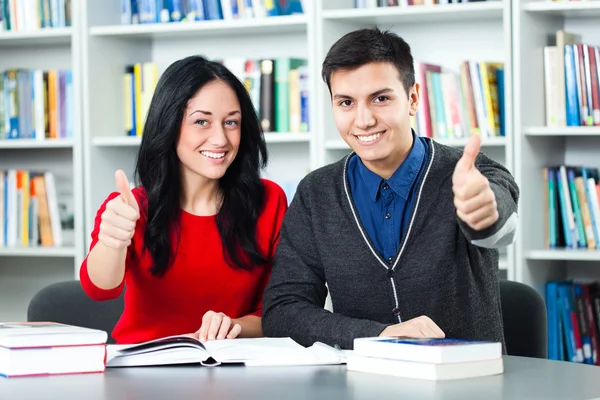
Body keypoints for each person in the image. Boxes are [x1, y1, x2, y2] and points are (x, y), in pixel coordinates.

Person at [262, 28, 519, 350]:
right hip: (364, 384)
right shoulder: (317, 193)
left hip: (467, 385)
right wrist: (379, 335)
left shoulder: (474, 173)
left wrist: (485, 211)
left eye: (380, 98)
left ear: (412, 98)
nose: (364, 120)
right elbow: (283, 312)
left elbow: (501, 230)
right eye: (346, 103)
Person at [80, 55, 288, 345]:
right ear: (169, 125)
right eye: (201, 121)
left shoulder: (269, 201)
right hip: (144, 373)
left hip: (231, 371)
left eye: (231, 122)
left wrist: (231, 326)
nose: (220, 139)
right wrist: (111, 241)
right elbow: (100, 289)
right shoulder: (130, 206)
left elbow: (281, 311)